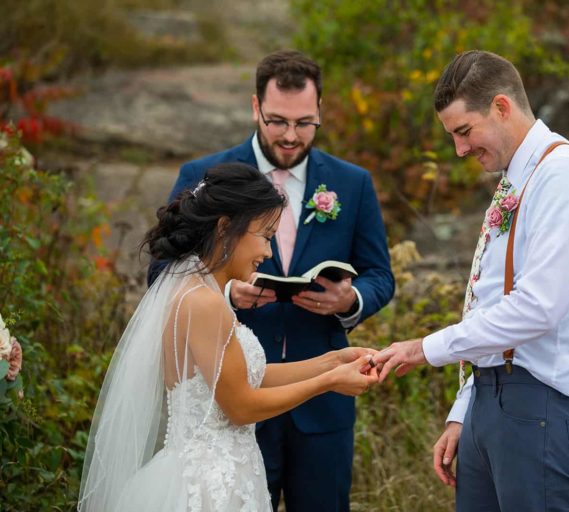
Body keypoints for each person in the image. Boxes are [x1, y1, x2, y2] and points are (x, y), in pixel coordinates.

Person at [149, 51, 394, 512]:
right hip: (230, 405)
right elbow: (164, 273)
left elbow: (381, 273)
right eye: (277, 120)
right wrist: (224, 292)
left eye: (305, 123)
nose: (289, 134)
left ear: (321, 111)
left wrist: (348, 300)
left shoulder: (352, 182)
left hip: (321, 417)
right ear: (255, 107)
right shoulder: (204, 178)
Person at [372, 50, 569, 511]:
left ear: (501, 107)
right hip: (492, 404)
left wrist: (424, 349)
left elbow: (539, 307)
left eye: (464, 131)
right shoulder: (516, 180)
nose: (460, 150)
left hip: (544, 409)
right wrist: (467, 410)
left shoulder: (564, 177)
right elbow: (489, 300)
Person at [78, 163, 379, 511]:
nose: (267, 252)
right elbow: (240, 406)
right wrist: (328, 381)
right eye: (265, 236)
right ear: (225, 228)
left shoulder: (195, 289)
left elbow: (244, 377)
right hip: (209, 485)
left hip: (223, 469)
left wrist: (334, 360)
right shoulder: (204, 302)